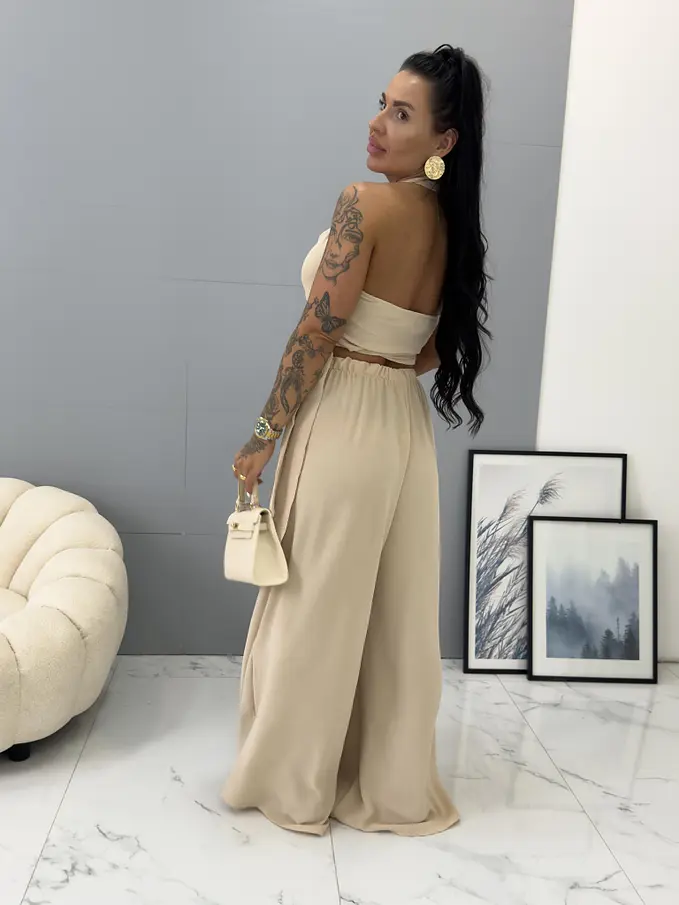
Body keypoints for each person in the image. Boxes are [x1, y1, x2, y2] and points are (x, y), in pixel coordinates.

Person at [223, 44, 490, 836]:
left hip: (341, 417)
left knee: (313, 605)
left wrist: (262, 435)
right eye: (381, 104)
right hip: (401, 424)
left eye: (401, 114)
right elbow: (432, 348)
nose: (377, 123)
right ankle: (379, 777)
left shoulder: (363, 205)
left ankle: (294, 782)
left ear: (442, 141)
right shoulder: (453, 229)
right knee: (388, 616)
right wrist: (386, 358)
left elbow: (317, 330)